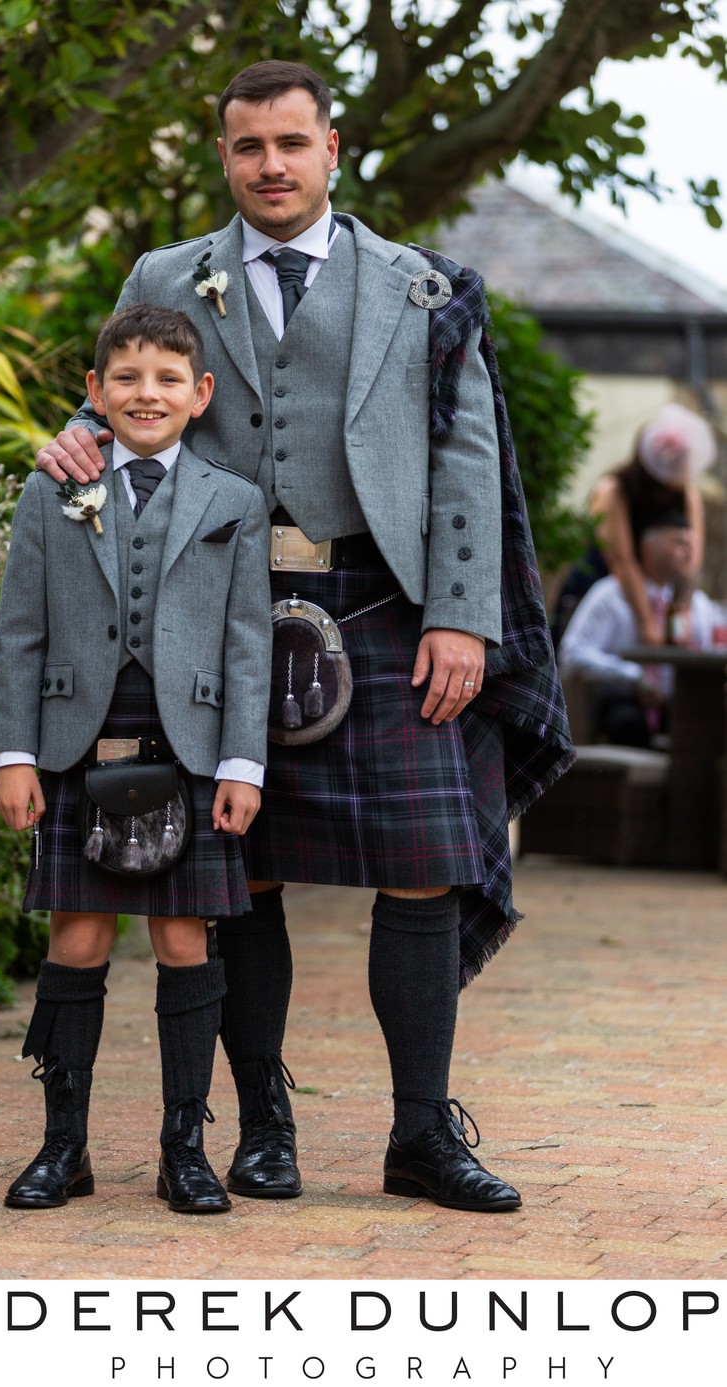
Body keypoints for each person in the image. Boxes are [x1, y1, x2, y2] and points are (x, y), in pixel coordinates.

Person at [36, 60, 573, 1213]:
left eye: (290, 144)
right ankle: (264, 1129)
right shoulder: (166, 275)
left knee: (426, 869)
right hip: (215, 619)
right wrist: (74, 439)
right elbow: (124, 400)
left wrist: (460, 616)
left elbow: (465, 466)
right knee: (246, 873)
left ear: (332, 149)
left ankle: (421, 1135)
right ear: (222, 155)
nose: (269, 166)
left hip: (384, 613)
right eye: (246, 148)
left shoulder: (421, 287)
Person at [0, 304, 273, 1214]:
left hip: (190, 748)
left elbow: (246, 647)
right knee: (74, 938)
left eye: (164, 380)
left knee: (185, 941)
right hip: (77, 744)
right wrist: (14, 753)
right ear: (95, 393)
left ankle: (183, 1148)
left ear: (201, 395)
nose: (144, 394)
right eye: (125, 378)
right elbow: (20, 634)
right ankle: (61, 1146)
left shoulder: (234, 500)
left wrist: (242, 763)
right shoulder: (52, 488)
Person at [554, 403, 716, 647]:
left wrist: (680, 612)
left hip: (656, 593)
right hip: (606, 583)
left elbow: (691, 562)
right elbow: (622, 559)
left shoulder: (688, 494)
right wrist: (646, 621)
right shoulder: (615, 489)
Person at [558, 517, 723, 748]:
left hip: (678, 708)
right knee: (628, 724)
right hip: (623, 702)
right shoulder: (610, 594)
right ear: (647, 550)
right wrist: (631, 675)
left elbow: (712, 651)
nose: (688, 551)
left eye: (691, 544)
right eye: (678, 542)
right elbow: (571, 653)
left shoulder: (697, 605)